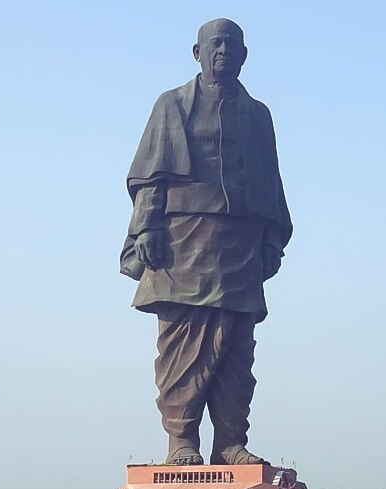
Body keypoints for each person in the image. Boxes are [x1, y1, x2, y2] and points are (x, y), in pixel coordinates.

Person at [121, 18, 291, 466]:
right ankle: (182, 441)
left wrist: (272, 238)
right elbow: (151, 177)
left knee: (237, 347)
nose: (223, 52)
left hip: (240, 244)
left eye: (232, 46)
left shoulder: (258, 116)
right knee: (182, 344)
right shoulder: (171, 105)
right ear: (196, 53)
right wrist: (147, 229)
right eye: (214, 45)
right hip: (184, 243)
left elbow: (271, 183)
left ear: (244, 55)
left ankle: (231, 441)